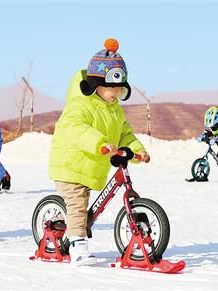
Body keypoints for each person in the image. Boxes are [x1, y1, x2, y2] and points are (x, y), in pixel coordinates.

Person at [49, 38, 150, 266]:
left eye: (119, 89)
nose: (115, 93)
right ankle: (78, 246)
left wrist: (137, 150)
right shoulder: (79, 105)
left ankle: (63, 223)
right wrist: (100, 144)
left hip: (90, 166)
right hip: (71, 165)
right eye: (111, 88)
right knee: (77, 204)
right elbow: (77, 129)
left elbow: (125, 133)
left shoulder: (114, 110)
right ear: (95, 85)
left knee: (80, 209)